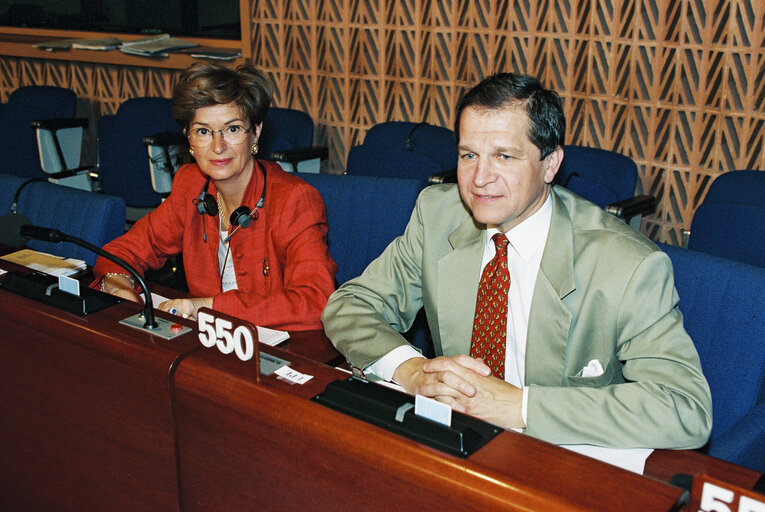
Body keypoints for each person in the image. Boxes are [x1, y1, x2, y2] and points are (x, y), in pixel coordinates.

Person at [322, 72, 712, 449]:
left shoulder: (626, 264)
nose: (479, 178)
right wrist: (411, 372)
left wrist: (519, 406)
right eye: (468, 155)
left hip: (555, 458)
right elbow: (350, 306)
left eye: (504, 156)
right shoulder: (438, 215)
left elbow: (684, 409)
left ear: (551, 164)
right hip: (452, 442)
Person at [93, 63, 337, 331]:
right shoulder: (191, 185)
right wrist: (117, 283)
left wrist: (206, 307)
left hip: (278, 350)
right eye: (203, 131)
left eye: (232, 129)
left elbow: (315, 302)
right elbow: (122, 252)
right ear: (189, 139)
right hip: (209, 345)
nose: (218, 146)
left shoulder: (294, 200)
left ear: (255, 132)